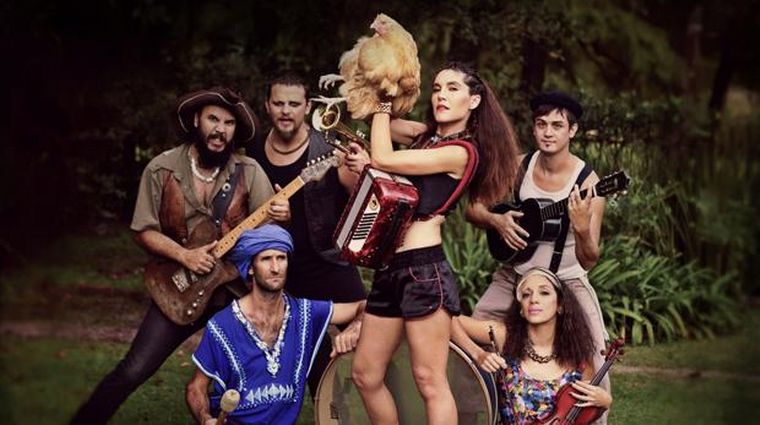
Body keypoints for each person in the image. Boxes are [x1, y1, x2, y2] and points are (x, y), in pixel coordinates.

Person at [70, 87, 289, 424]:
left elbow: (268, 238)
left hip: (233, 293)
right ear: (196, 120)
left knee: (252, 378)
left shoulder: (250, 171)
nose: (220, 130)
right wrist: (185, 257)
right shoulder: (161, 168)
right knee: (133, 370)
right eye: (213, 119)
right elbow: (143, 230)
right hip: (180, 288)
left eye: (229, 123)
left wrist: (279, 218)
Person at [350, 61, 520, 425]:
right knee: (365, 374)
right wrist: (386, 67)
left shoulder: (462, 151)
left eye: (453, 88)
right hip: (390, 268)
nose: (441, 95)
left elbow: (383, 156)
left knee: (429, 380)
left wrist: (383, 103)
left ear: (474, 100)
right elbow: (375, 121)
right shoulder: (425, 136)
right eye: (438, 88)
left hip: (423, 271)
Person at [465, 90, 610, 422]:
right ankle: (480, 414)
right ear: (533, 128)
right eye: (541, 124)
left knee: (596, 358)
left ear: (572, 130)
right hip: (516, 275)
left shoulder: (589, 183)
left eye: (557, 126)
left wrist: (581, 229)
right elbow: (474, 209)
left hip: (566, 280)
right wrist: (497, 221)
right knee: (472, 335)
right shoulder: (519, 166)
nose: (548, 132)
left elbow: (590, 259)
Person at [246, 72, 370, 397]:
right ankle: (329, 409)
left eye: (294, 104)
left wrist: (361, 168)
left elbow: (360, 199)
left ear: (308, 107)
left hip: (328, 260)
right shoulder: (253, 151)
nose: (286, 111)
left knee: (368, 333)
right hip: (281, 269)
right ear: (267, 106)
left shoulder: (326, 147)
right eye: (278, 103)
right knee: (309, 352)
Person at [186, 224, 365, 425]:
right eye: (266, 259)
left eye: (281, 258)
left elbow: (363, 306)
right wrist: (205, 418)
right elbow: (196, 388)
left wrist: (355, 326)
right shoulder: (222, 326)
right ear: (251, 268)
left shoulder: (304, 313)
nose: (275, 268)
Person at [453, 268, 612, 425]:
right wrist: (477, 353)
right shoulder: (505, 336)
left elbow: (581, 416)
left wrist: (604, 403)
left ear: (560, 305)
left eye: (544, 293)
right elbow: (448, 320)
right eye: (526, 294)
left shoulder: (577, 356)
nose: (534, 299)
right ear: (521, 309)